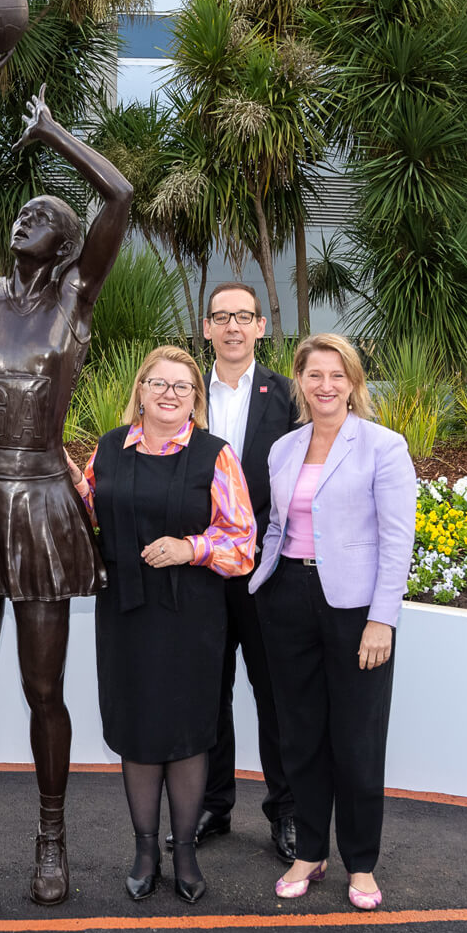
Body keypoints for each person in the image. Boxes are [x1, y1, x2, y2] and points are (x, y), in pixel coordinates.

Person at [0, 53, 133, 905]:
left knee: (44, 688)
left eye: (41, 214)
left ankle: (52, 839)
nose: (22, 218)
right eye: (20, 211)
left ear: (68, 242)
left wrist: (53, 133)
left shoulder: (75, 300)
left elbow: (119, 197)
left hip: (43, 501)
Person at [68, 346, 255, 904]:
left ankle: (187, 855)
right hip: (127, 612)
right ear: (141, 389)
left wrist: (190, 547)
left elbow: (242, 542)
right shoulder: (110, 448)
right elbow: (97, 516)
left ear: (195, 397)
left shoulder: (215, 456)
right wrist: (77, 484)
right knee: (139, 729)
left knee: (187, 730)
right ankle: (145, 850)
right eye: (159, 383)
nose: (170, 394)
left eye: (182, 386)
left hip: (191, 616)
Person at [248, 333, 415, 909]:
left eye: (336, 375)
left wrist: (382, 620)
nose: (325, 386)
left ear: (353, 383)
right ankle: (310, 851)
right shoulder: (284, 448)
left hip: (355, 610)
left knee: (357, 739)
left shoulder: (384, 447)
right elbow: (275, 524)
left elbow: (398, 542)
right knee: (300, 736)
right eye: (314, 375)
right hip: (287, 599)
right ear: (300, 381)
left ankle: (361, 863)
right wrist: (261, 582)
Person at [177, 282, 300, 862]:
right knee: (206, 693)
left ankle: (286, 811)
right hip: (200, 568)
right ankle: (213, 804)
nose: (232, 327)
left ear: (259, 327)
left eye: (242, 317)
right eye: (221, 317)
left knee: (274, 694)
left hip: (264, 573)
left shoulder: (289, 397)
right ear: (206, 328)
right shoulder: (182, 392)